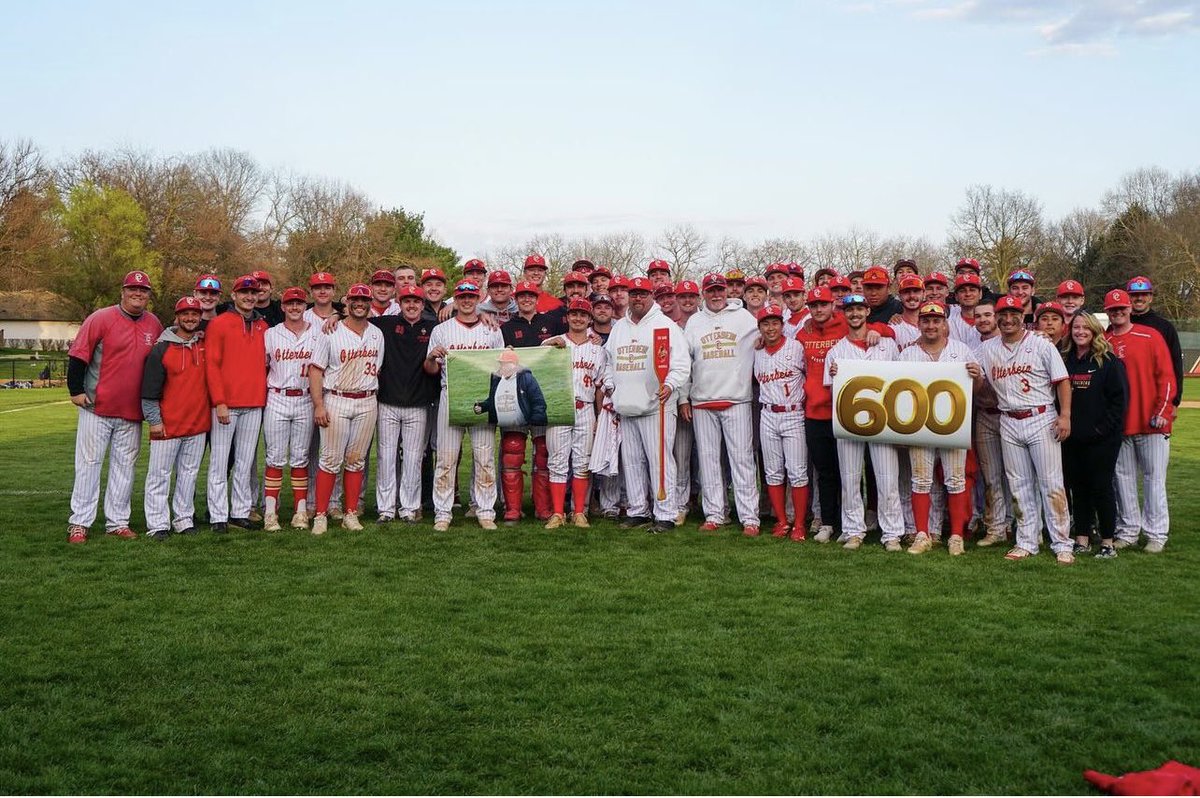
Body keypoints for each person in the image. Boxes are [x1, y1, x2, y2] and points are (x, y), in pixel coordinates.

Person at [66, 270, 164, 543]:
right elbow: (79, 353)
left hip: (132, 411)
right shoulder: (101, 317)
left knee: (124, 468)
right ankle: (79, 523)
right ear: (122, 291)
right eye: (133, 289)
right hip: (97, 407)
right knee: (88, 465)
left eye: (143, 290)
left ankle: (117, 521)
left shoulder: (153, 323)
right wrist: (75, 389)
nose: (138, 294)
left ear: (148, 295)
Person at [975, 295, 1074, 564]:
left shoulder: (1040, 344)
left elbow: (1063, 382)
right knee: (1019, 486)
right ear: (996, 317)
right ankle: (1026, 541)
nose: (1008, 319)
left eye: (1013, 314)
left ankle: (1062, 542)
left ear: (1023, 316)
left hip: (1041, 416)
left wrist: (1065, 416)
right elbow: (974, 379)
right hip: (1008, 419)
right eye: (1003, 314)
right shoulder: (987, 348)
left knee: (1051, 484)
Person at [600, 276, 690, 533]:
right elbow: (609, 361)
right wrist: (611, 385)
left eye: (643, 293)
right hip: (626, 405)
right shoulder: (620, 327)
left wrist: (670, 384)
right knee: (632, 462)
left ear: (651, 295)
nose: (638, 298)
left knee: (659, 460)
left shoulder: (665, 325)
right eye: (634, 293)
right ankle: (638, 510)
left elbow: (681, 363)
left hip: (656, 406)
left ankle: (665, 514)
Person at [897, 301, 983, 556]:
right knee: (921, 480)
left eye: (936, 320)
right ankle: (922, 533)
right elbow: (897, 393)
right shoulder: (908, 354)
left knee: (955, 481)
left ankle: (956, 535)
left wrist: (977, 376)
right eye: (926, 320)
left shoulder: (961, 349)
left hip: (953, 424)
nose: (931, 325)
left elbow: (977, 391)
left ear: (945, 323)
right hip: (919, 425)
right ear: (919, 323)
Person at [424, 280, 505, 531]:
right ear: (455, 300)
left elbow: (502, 369)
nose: (467, 301)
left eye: (471, 296)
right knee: (446, 458)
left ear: (478, 298)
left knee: (484, 457)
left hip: (482, 395)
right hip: (452, 394)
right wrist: (431, 357)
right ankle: (443, 512)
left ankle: (485, 510)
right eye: (462, 297)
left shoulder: (492, 329)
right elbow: (430, 370)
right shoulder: (442, 330)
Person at [823, 294, 903, 551]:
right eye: (850, 310)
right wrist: (837, 375)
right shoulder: (836, 352)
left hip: (883, 419)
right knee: (849, 478)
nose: (855, 314)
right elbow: (830, 390)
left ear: (868, 311)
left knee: (887, 478)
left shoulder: (887, 345)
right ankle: (853, 530)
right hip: (849, 420)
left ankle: (891, 533)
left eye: (859, 308)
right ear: (843, 314)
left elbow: (901, 381)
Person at [683, 274, 761, 536]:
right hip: (703, 399)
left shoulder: (744, 318)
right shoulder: (694, 321)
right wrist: (684, 397)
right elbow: (686, 362)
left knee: (742, 459)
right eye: (711, 291)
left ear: (727, 291)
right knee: (708, 461)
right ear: (704, 293)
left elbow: (767, 337)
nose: (716, 295)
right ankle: (715, 513)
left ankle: (749, 516)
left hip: (736, 398)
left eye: (720, 290)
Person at [307, 283, 385, 535]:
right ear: (347, 302)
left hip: (366, 399)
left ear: (370, 302)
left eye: (364, 299)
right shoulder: (330, 331)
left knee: (356, 460)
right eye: (355, 299)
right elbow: (316, 370)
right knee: (330, 460)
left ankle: (350, 513)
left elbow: (377, 368)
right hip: (337, 397)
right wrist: (319, 404)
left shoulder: (376, 333)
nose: (360, 303)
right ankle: (320, 514)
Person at [1103, 289, 1176, 553]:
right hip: (1120, 425)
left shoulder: (1151, 335)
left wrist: (1164, 410)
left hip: (1151, 421)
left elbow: (1167, 377)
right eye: (1113, 310)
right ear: (1108, 313)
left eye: (1122, 308)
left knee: (1154, 479)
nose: (1118, 313)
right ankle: (1128, 531)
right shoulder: (1104, 339)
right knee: (1122, 478)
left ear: (1129, 309)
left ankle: (1156, 534)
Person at [369, 285, 439, 524]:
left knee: (413, 458)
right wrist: (336, 315)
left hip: (418, 402)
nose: (412, 305)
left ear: (422, 304)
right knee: (386, 457)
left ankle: (409, 507)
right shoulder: (385, 324)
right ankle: (386, 509)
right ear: (399, 303)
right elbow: (355, 318)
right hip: (388, 401)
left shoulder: (433, 328)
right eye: (407, 301)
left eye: (416, 301)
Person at [140, 296, 207, 541]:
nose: (190, 318)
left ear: (200, 317)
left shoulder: (203, 345)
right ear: (176, 317)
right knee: (159, 475)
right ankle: (157, 524)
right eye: (185, 314)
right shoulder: (161, 348)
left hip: (197, 423)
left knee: (189, 474)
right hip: (167, 424)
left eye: (194, 314)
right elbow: (149, 391)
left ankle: (183, 519)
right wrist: (154, 421)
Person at [205, 275, 269, 533]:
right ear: (233, 295)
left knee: (245, 462)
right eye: (244, 292)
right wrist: (219, 401)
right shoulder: (219, 324)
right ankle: (217, 515)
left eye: (253, 292)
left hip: (254, 402)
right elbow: (212, 365)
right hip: (226, 404)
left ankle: (240, 512)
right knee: (220, 461)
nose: (249, 296)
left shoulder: (264, 326)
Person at [1063, 311, 1128, 559]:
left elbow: (1118, 402)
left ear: (1094, 331)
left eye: (1085, 328)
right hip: (1072, 438)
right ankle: (1081, 538)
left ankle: (1108, 542)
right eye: (1076, 327)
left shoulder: (1108, 361)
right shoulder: (1066, 360)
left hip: (1102, 439)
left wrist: (1101, 429)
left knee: (1101, 488)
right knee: (1078, 489)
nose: (1080, 332)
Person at [499, 281, 562, 521]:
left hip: (540, 396)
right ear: (517, 299)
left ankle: (543, 507)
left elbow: (566, 344)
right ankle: (513, 508)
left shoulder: (551, 323)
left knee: (543, 453)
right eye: (522, 296)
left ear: (537, 298)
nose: (526, 300)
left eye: (531, 296)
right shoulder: (506, 327)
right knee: (512, 450)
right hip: (513, 396)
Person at [541, 298, 605, 528]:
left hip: (586, 407)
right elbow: (536, 371)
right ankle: (558, 513)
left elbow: (600, 386)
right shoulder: (553, 343)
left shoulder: (598, 349)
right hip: (559, 407)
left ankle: (579, 511)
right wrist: (546, 348)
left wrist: (598, 416)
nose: (578, 318)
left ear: (590, 319)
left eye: (583, 315)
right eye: (574, 314)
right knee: (557, 462)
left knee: (582, 462)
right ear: (567, 317)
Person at [262, 287, 319, 531]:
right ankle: (270, 512)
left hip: (305, 398)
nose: (295, 307)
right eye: (290, 303)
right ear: (283, 306)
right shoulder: (271, 334)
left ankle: (300, 512)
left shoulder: (318, 333)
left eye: (299, 303)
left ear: (305, 306)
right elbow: (262, 366)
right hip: (277, 397)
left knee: (300, 457)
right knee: (274, 457)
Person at [753, 304, 809, 540]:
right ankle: (782, 521)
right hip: (767, 413)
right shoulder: (756, 351)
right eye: (765, 323)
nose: (771, 327)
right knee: (773, 473)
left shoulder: (796, 347)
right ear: (760, 328)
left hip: (793, 413)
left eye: (775, 322)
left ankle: (799, 524)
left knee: (797, 472)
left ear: (782, 324)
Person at [967, 299, 1013, 547]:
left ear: (997, 316)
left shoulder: (1011, 342)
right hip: (985, 414)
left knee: (1018, 475)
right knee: (992, 475)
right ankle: (995, 527)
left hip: (1010, 414)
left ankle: (1020, 525)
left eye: (987, 314)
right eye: (978, 316)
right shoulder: (973, 350)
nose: (983, 319)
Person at [1126, 275, 1183, 410]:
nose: (1139, 298)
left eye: (1144, 294)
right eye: (1135, 295)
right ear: (1128, 297)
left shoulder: (1165, 327)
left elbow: (1176, 366)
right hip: (1126, 399)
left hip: (1156, 398)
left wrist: (1174, 402)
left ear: (1150, 298)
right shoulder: (1117, 326)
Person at [890, 274, 925, 351]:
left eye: (916, 291)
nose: (912, 295)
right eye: (906, 292)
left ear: (924, 294)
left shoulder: (936, 325)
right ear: (899, 296)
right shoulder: (893, 327)